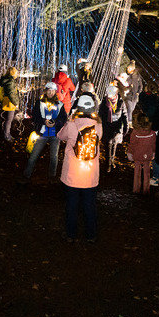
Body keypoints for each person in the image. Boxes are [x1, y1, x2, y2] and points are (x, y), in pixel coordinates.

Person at [58, 94, 102, 243]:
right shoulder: (98, 125)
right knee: (90, 205)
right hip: (90, 173)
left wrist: (70, 119)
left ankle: (71, 234)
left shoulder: (72, 124)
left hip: (72, 173)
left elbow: (60, 136)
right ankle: (91, 235)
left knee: (72, 204)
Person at [20, 82, 68, 184]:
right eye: (49, 91)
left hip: (55, 134)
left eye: (52, 91)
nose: (50, 93)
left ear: (55, 92)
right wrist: (43, 121)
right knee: (33, 156)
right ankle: (26, 176)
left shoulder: (60, 105)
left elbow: (63, 118)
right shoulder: (39, 103)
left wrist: (55, 122)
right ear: (45, 91)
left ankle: (52, 176)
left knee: (54, 157)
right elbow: (34, 117)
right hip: (42, 134)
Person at [98, 85, 128, 173]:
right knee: (108, 145)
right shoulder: (104, 102)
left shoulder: (121, 102)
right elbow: (100, 115)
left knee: (114, 144)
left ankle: (112, 161)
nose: (110, 97)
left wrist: (125, 127)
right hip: (107, 127)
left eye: (111, 95)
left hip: (116, 127)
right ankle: (108, 164)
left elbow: (124, 115)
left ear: (116, 94)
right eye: (109, 95)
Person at [127, 113, 156, 194]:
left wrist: (130, 152)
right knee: (147, 173)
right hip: (148, 154)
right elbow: (153, 144)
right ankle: (146, 189)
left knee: (137, 173)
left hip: (137, 154)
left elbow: (132, 144)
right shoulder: (152, 132)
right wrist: (153, 152)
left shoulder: (135, 132)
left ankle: (136, 189)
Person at [0, 67, 19, 142]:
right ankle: (7, 135)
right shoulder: (10, 81)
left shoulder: (6, 79)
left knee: (8, 119)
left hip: (6, 101)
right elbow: (11, 94)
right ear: (13, 73)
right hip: (10, 103)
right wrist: (16, 103)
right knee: (9, 120)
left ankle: (6, 133)